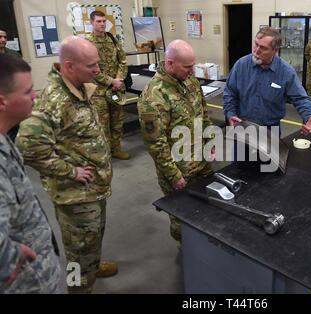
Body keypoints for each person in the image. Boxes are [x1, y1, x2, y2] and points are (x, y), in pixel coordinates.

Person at [16, 36, 116, 294]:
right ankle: (78, 288)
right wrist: (70, 171)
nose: (98, 70)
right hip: (75, 195)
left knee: (91, 239)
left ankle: (91, 268)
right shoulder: (54, 100)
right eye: (91, 66)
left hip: (93, 189)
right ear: (69, 66)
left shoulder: (80, 87)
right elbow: (28, 147)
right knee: (77, 250)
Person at [137, 40, 215, 245]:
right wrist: (173, 175)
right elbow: (155, 143)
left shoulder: (191, 81)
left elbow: (203, 114)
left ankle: (203, 244)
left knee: (207, 205)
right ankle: (186, 248)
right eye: (187, 66)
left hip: (201, 161)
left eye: (193, 65)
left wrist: (210, 141)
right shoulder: (154, 95)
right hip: (179, 169)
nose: (192, 70)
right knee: (182, 215)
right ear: (170, 63)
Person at [0, 53, 61, 293]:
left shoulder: (5, 140)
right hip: (26, 283)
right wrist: (13, 257)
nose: (35, 97)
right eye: (27, 92)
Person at [223, 27, 311, 133]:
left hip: (270, 129)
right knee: (239, 150)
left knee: (271, 150)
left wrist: (309, 116)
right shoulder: (241, 65)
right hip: (241, 125)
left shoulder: (285, 71)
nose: (256, 51)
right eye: (256, 44)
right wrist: (230, 114)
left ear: (275, 50)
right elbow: (230, 93)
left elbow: (300, 98)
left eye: (263, 48)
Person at [86, 11, 130, 160]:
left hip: (116, 88)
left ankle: (116, 149)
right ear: (91, 22)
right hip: (98, 92)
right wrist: (111, 81)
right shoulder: (87, 43)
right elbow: (91, 69)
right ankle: (104, 153)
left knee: (117, 121)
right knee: (102, 124)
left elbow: (122, 62)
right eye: (98, 21)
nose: (102, 24)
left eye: (104, 21)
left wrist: (119, 79)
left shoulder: (112, 39)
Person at [1, 29, 22, 141]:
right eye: (0, 37)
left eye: (5, 37)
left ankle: (13, 150)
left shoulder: (14, 55)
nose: (3, 40)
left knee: (15, 125)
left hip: (13, 94)